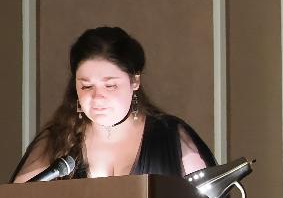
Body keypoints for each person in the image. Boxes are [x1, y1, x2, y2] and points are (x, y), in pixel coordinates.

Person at [11, 26, 218, 182]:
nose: (97, 97)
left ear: (134, 81)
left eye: (110, 86)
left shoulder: (170, 137)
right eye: (86, 86)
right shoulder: (57, 139)